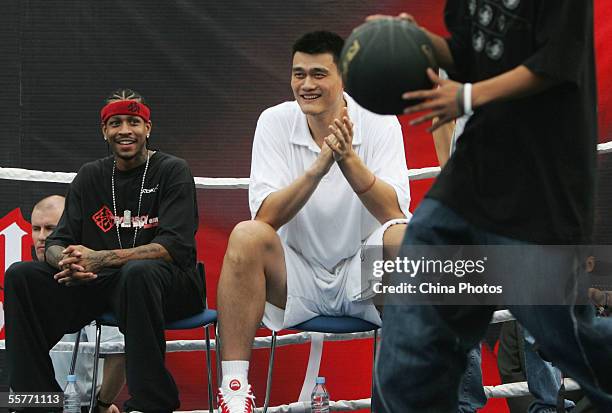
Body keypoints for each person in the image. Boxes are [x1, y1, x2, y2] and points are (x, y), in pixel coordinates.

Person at [367, 2, 612, 412]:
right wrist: (419, 42)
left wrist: (467, 95)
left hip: (542, 189)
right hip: (468, 182)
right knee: (410, 334)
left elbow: (555, 62)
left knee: (568, 338)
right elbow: (468, 54)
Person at [215, 31, 411, 413]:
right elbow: (265, 218)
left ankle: (405, 392)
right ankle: (235, 392)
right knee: (246, 235)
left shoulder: (381, 122)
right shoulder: (273, 121)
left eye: (318, 74)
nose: (306, 85)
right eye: (298, 74)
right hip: (297, 277)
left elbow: (394, 213)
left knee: (405, 239)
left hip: (364, 277)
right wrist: (319, 168)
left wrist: (348, 160)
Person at [5, 88, 204, 413]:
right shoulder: (90, 176)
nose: (125, 130)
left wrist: (101, 258)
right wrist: (66, 261)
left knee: (138, 273)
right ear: (104, 131)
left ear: (148, 128)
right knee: (21, 275)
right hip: (102, 284)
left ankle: (151, 405)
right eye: (115, 123)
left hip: (171, 285)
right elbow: (57, 242)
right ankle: (38, 404)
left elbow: (176, 247)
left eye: (133, 122)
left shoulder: (172, 171)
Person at [30, 195, 126, 413]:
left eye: (50, 228)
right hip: (26, 401)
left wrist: (100, 405)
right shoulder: (23, 282)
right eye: (36, 228)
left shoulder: (91, 283)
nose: (42, 237)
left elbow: (119, 352)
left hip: (74, 405)